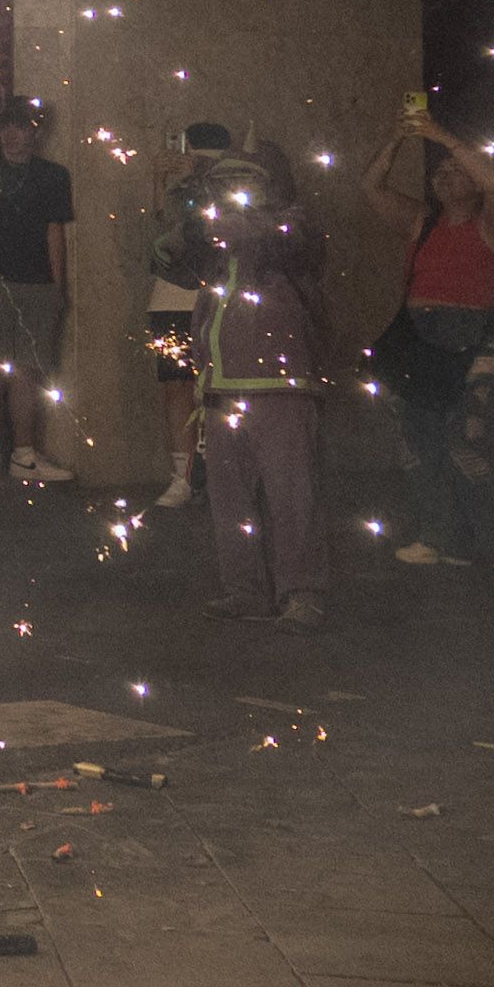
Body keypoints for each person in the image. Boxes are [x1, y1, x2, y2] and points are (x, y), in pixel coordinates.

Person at [376, 103, 494, 573]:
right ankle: (443, 537)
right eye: (439, 171)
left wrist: (443, 136)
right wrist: (400, 136)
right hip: (422, 338)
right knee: (419, 441)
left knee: (470, 440)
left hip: (480, 338)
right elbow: (372, 187)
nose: (445, 175)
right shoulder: (423, 222)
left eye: (455, 169)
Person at [199, 148, 330, 629]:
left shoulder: (294, 227)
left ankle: (302, 594)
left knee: (291, 494)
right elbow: (167, 253)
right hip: (221, 382)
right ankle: (245, 590)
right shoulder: (214, 234)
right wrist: (179, 191)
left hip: (282, 384)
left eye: (242, 181)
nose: (230, 192)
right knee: (229, 498)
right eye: (223, 183)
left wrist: (239, 218)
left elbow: (282, 242)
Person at [119, 126, 243, 499]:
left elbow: (218, 234)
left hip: (218, 299)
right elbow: (156, 240)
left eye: (204, 158)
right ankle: (183, 477)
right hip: (169, 299)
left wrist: (201, 182)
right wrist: (161, 181)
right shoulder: (174, 192)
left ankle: (224, 475)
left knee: (220, 389)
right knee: (175, 387)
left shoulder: (232, 187)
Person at [0, 101, 78, 485]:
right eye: (7, 127)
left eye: (22, 127)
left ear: (36, 132)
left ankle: (24, 454)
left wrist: (57, 287)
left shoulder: (53, 176)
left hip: (36, 281)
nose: (13, 135)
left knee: (28, 368)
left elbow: (54, 232)